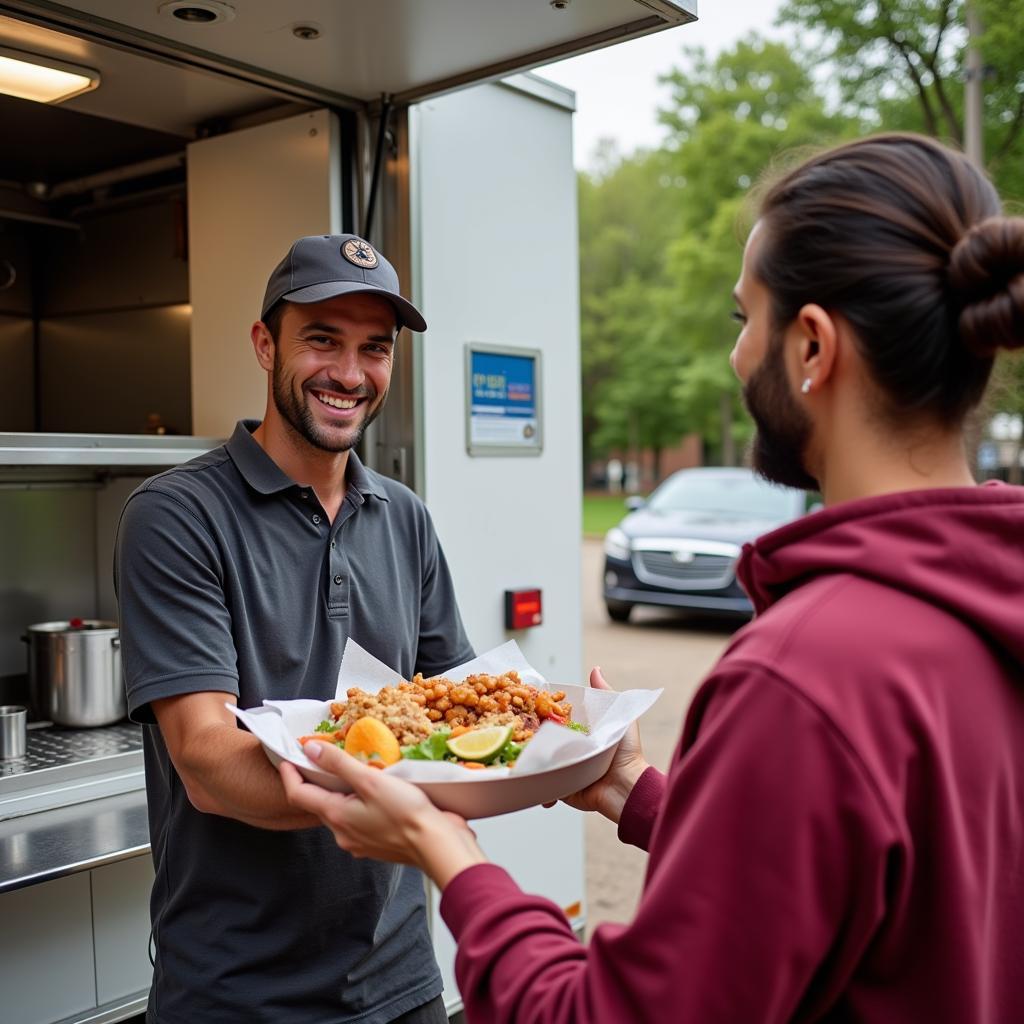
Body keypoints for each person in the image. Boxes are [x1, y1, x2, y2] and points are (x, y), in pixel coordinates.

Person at [278, 134, 1024, 1023]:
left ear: (813, 347)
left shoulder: (803, 676)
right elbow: (885, 897)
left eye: (745, 319)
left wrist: (450, 856)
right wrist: (637, 794)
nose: (739, 357)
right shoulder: (987, 608)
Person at [114, 233, 474, 1024]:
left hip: (404, 982)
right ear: (264, 343)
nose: (349, 374)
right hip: (237, 994)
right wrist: (389, 793)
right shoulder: (178, 516)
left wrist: (561, 747)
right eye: (322, 340)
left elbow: (462, 714)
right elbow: (207, 763)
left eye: (373, 349)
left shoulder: (404, 517)